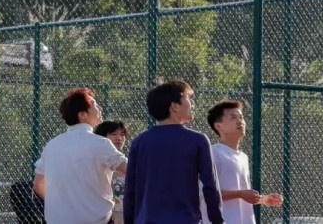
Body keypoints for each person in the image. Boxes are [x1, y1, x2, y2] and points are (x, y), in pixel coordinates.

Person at [124, 80, 224, 224]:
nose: (192, 103)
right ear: (175, 106)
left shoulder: (139, 142)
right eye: (188, 98)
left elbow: (130, 191)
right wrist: (218, 221)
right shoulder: (198, 140)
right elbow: (210, 187)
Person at [34, 88, 127, 224]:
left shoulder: (52, 145)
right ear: (82, 114)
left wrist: (61, 204)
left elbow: (38, 184)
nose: (99, 107)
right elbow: (132, 170)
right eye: (94, 104)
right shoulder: (100, 143)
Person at [200, 100, 282, 224]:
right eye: (233, 118)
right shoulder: (213, 153)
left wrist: (263, 200)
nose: (240, 121)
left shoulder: (243, 157)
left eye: (241, 117)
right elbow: (205, 194)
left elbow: (242, 193)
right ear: (218, 126)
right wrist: (241, 194)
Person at [95, 121, 130, 224]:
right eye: (113, 134)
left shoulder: (127, 163)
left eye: (122, 134)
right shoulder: (97, 164)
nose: (119, 138)